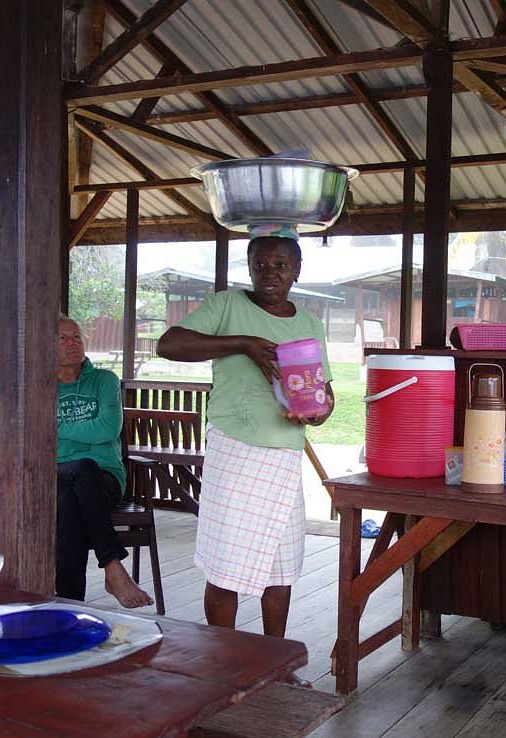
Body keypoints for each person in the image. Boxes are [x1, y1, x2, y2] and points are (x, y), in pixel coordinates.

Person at [156, 226, 334, 639]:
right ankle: (223, 657)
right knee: (226, 567)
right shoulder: (226, 305)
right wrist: (243, 344)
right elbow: (169, 344)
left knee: (280, 569)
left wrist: (317, 412)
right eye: (260, 265)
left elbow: (324, 394)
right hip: (235, 452)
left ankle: (274, 657)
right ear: (249, 269)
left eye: (280, 265)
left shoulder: (309, 323)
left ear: (297, 270)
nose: (270, 273)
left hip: (284, 457)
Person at [57, 316, 153, 609]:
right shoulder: (39, 387)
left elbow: (108, 429)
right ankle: (111, 567)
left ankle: (69, 605)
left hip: (105, 478)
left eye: (77, 337)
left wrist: (57, 428)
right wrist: (82, 435)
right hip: (58, 475)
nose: (73, 343)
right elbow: (35, 434)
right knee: (70, 489)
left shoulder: (104, 381)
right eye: (63, 338)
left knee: (75, 487)